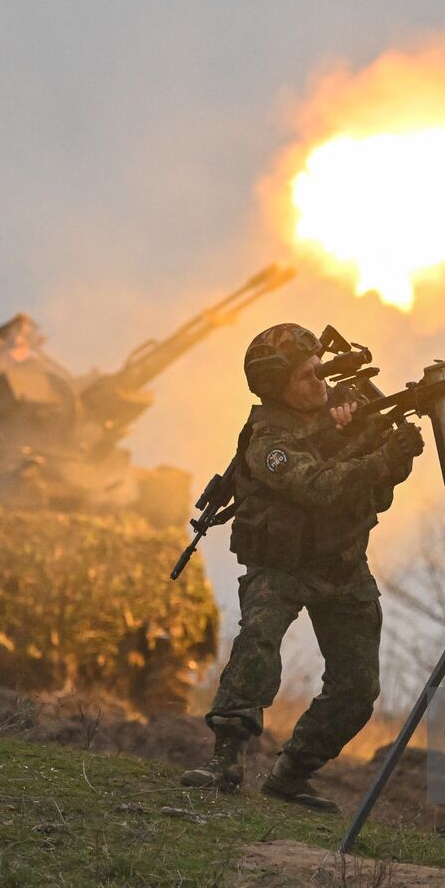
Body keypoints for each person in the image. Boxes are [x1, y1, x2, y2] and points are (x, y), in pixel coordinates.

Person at [182, 323, 424, 812]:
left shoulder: (343, 411)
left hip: (341, 562)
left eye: (321, 369)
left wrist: (389, 452)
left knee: (357, 687)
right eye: (306, 376)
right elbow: (317, 485)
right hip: (282, 565)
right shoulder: (266, 439)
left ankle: (291, 775)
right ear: (279, 388)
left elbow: (376, 486)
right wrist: (380, 459)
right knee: (259, 645)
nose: (321, 382)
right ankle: (225, 759)